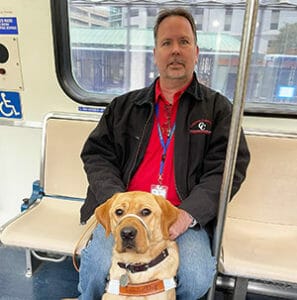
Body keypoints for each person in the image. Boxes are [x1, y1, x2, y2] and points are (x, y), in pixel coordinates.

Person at [78, 7, 250, 300]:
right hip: (126, 211)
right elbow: (96, 155)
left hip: (178, 213)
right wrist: (116, 204)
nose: (175, 51)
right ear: (155, 53)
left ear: (196, 52)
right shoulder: (123, 106)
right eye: (167, 43)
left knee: (196, 278)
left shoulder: (218, 109)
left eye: (183, 42)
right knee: (95, 266)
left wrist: (190, 214)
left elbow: (227, 168)